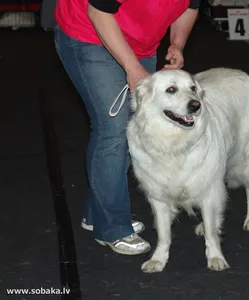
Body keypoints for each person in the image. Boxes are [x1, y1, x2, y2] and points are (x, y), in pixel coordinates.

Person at [53, 0, 201, 255]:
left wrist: (177, 43)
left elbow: (190, 6)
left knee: (134, 128)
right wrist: (132, 68)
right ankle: (112, 227)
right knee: (114, 129)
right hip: (89, 32)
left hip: (141, 40)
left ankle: (96, 213)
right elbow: (98, 11)